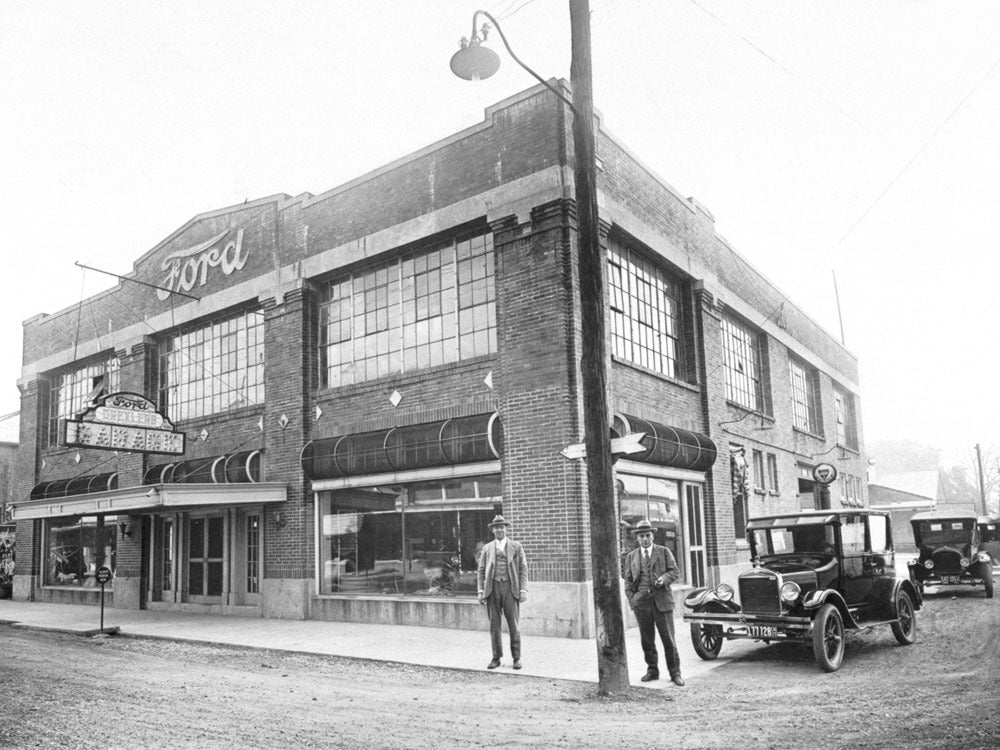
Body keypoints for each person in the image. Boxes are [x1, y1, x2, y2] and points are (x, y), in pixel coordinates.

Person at [622, 519, 684, 686]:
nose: (644, 539)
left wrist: (663, 579)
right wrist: (632, 598)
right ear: (637, 538)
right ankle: (652, 670)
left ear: (653, 536)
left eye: (647, 535)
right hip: (641, 604)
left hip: (662, 602)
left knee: (668, 640)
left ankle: (675, 673)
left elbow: (675, 571)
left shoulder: (663, 552)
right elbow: (627, 579)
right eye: (641, 536)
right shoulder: (631, 557)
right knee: (647, 640)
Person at [477, 514, 528, 670]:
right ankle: (496, 657)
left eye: (502, 527)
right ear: (493, 530)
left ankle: (517, 658)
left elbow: (523, 568)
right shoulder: (487, 548)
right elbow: (481, 570)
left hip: (510, 588)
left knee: (514, 624)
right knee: (494, 625)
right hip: (492, 588)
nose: (499, 529)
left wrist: (523, 589)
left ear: (506, 529)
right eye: (496, 527)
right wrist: (480, 590)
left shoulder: (516, 546)